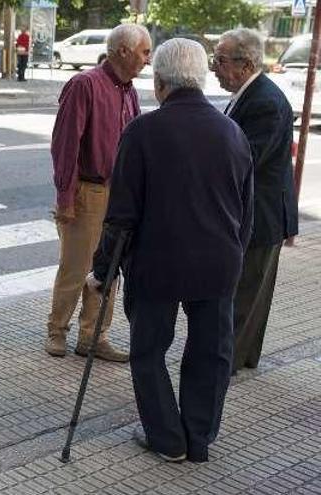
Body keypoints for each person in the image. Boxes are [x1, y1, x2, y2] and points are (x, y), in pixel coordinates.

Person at [90, 38, 254, 463]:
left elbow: (120, 215)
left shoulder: (143, 132)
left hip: (156, 263)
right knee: (211, 352)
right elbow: (245, 210)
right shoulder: (232, 132)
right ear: (199, 79)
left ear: (161, 82)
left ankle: (167, 438)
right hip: (218, 263)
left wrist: (103, 270)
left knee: (148, 352)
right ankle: (199, 439)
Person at [45, 24, 151, 362]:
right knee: (76, 268)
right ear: (124, 51)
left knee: (109, 269)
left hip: (119, 195)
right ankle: (57, 331)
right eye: (144, 52)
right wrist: (65, 197)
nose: (147, 60)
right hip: (87, 191)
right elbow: (65, 145)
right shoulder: (84, 85)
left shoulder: (130, 91)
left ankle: (93, 337)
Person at [212, 29, 299, 374]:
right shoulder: (248, 93)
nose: (215, 67)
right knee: (252, 290)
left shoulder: (265, 101)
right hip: (259, 212)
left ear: (245, 64)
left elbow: (244, 159)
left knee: (245, 293)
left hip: (262, 215)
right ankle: (242, 357)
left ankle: (224, 365)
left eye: (220, 60)